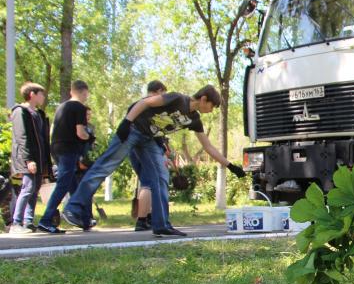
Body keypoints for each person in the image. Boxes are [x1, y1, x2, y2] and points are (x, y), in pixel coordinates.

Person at [62, 85, 246, 236]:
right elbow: (145, 102)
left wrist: (230, 166)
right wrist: (127, 122)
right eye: (212, 106)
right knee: (105, 166)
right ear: (204, 99)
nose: (211, 110)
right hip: (133, 129)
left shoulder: (194, 119)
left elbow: (208, 147)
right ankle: (73, 208)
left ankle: (161, 224)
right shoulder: (177, 99)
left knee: (161, 175)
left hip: (149, 139)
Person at [37, 80, 91, 234]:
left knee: (73, 184)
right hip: (69, 148)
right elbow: (80, 132)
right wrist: (89, 137)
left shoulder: (62, 106)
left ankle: (83, 218)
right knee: (63, 184)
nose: (86, 96)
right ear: (83, 92)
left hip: (56, 147)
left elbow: (53, 129)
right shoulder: (79, 107)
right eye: (86, 94)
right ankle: (46, 220)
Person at [9, 82, 52, 234]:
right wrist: (28, 160)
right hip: (28, 159)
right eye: (41, 94)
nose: (43, 97)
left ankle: (28, 221)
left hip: (39, 159)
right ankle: (16, 223)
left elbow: (42, 138)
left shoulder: (39, 113)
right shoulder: (20, 112)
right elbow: (22, 137)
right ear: (32, 94)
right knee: (27, 188)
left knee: (35, 190)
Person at [129, 80, 169, 231]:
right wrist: (162, 146)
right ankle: (142, 220)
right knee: (148, 183)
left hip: (133, 148)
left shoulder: (136, 105)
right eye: (163, 94)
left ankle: (150, 216)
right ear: (158, 91)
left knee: (148, 182)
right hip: (147, 147)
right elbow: (155, 130)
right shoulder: (151, 106)